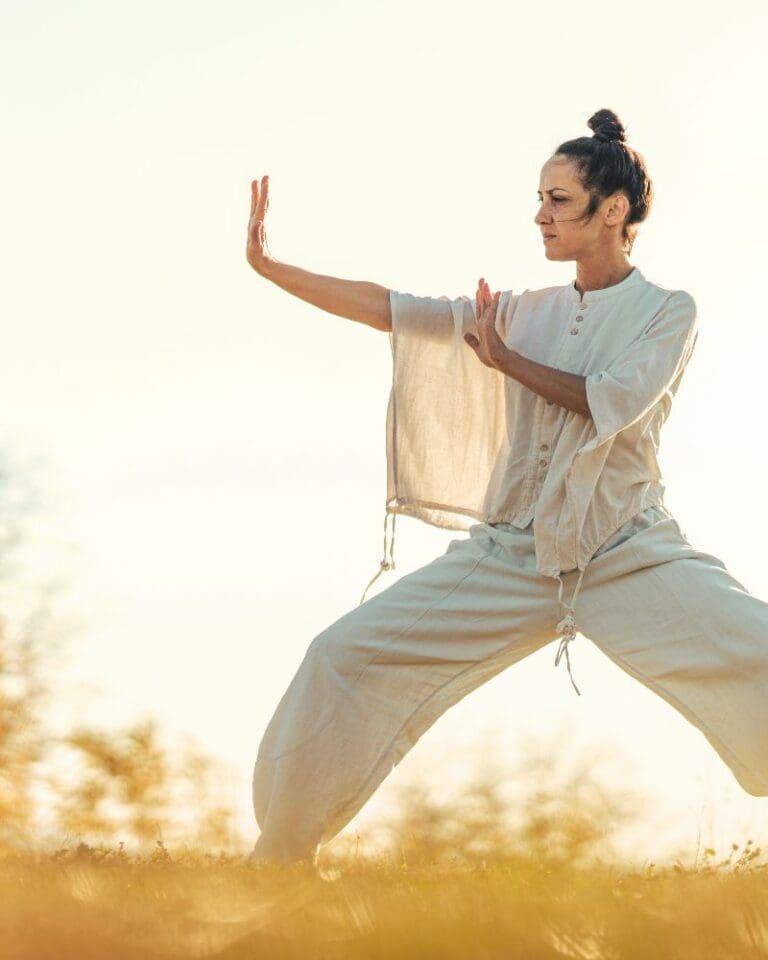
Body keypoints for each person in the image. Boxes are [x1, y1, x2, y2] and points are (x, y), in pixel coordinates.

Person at [244, 108, 768, 867]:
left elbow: (609, 400)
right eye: (540, 198)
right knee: (341, 656)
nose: (540, 215)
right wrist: (274, 268)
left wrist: (506, 360)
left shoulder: (667, 312)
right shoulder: (524, 312)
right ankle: (280, 862)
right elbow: (397, 311)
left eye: (558, 200)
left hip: (625, 553)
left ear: (613, 210)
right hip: (509, 555)